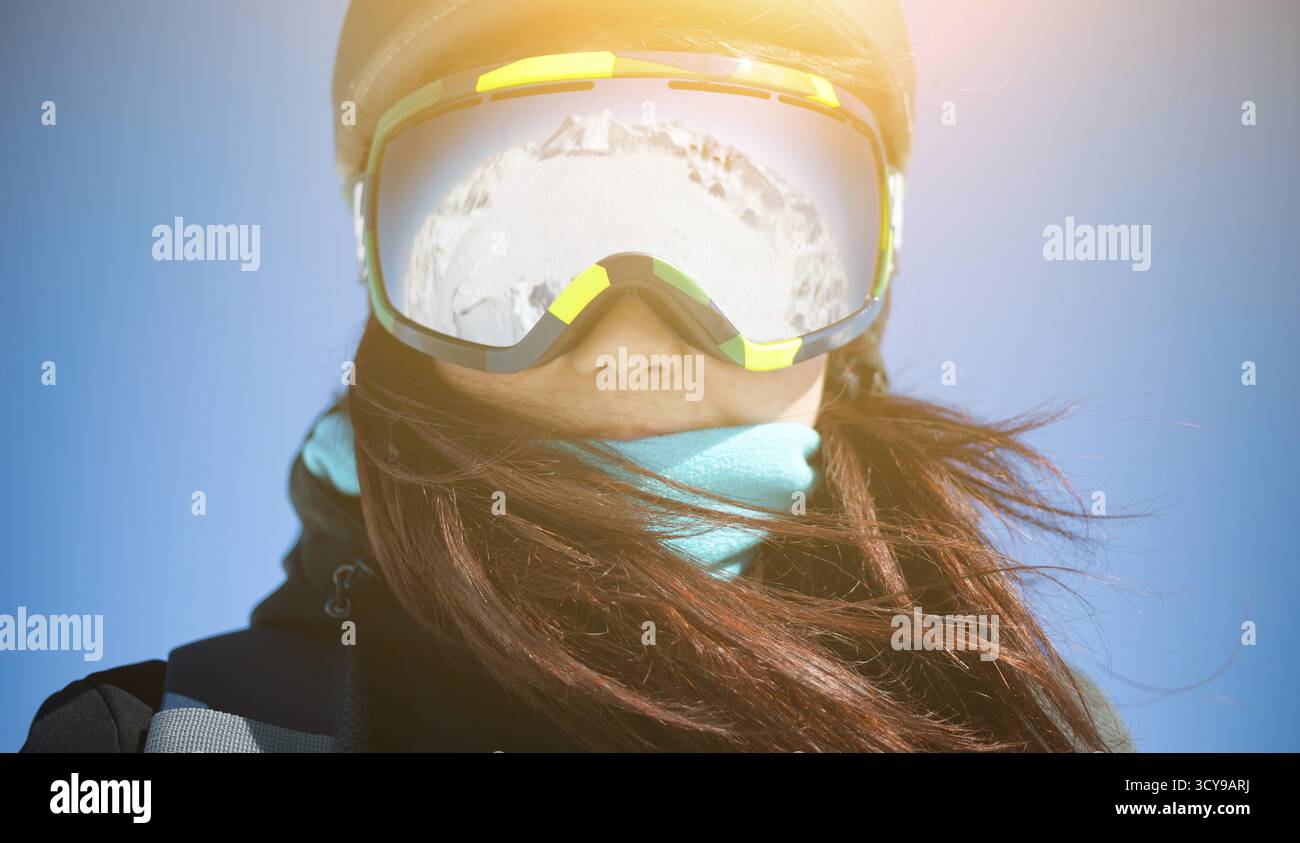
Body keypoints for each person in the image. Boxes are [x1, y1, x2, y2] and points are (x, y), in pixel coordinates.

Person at [22, 0, 1134, 753]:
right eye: (508, 251)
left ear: (865, 285)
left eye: (741, 243)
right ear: (388, 290)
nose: (623, 326)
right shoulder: (166, 745)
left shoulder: (1026, 725)